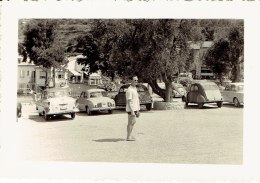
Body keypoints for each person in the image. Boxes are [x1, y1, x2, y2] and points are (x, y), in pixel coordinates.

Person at [125, 75, 140, 141]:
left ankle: (130, 135)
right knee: (130, 122)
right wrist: (132, 111)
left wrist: (138, 110)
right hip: (131, 109)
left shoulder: (134, 89)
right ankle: (128, 137)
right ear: (131, 81)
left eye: (137, 80)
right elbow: (129, 101)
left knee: (133, 122)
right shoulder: (129, 90)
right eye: (135, 80)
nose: (136, 81)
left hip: (135, 108)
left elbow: (136, 100)